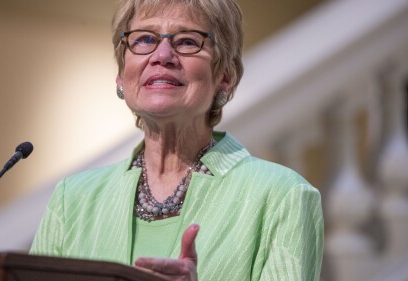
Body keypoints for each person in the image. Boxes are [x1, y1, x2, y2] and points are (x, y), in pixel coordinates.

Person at [30, 0, 324, 280]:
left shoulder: (282, 196)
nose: (162, 56)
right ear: (122, 74)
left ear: (225, 76)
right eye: (145, 39)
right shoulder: (72, 200)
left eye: (187, 41)